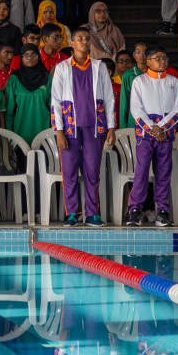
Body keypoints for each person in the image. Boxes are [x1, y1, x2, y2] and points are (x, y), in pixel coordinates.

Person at [49, 29, 116, 226]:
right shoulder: (62, 68)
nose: (84, 42)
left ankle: (92, 214)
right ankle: (72, 213)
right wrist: (58, 130)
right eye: (80, 39)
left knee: (92, 171)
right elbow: (56, 100)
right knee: (69, 171)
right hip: (69, 128)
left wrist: (111, 126)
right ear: (72, 43)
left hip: (95, 126)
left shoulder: (99, 67)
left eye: (87, 39)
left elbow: (109, 97)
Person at [125, 46, 178, 228]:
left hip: (166, 134)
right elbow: (136, 108)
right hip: (146, 135)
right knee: (141, 172)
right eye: (157, 58)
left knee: (163, 173)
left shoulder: (174, 82)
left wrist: (162, 128)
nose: (162, 61)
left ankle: (162, 211)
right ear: (148, 61)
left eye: (164, 58)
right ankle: (135, 209)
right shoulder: (140, 81)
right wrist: (153, 129)